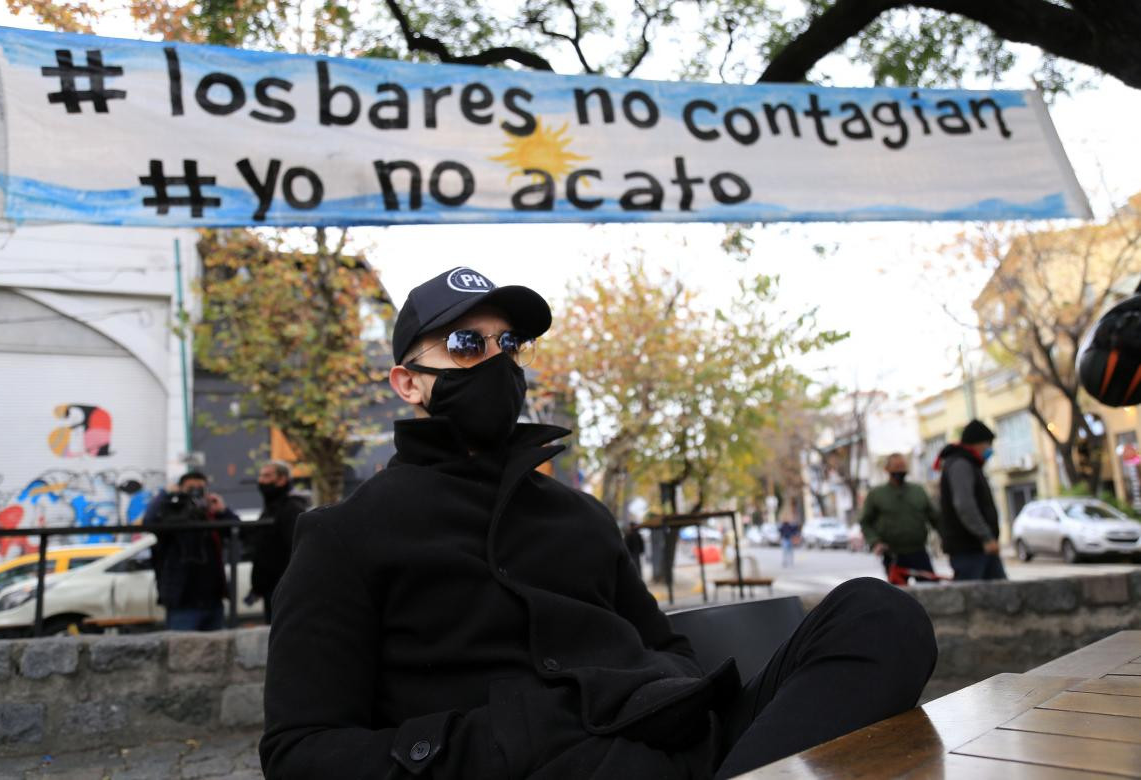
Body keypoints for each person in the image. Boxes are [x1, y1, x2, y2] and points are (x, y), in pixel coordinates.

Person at [261, 266, 937, 779]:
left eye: (510, 344)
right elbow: (300, 749)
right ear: (407, 382)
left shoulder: (581, 515)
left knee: (879, 614)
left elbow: (665, 646)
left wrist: (660, 690)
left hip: (687, 746)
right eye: (466, 343)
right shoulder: (344, 535)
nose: (496, 360)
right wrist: (505, 738)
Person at [145, 471, 240, 631]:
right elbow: (150, 522)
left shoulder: (211, 514)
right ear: (180, 489)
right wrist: (167, 494)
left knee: (216, 651)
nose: (195, 492)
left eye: (200, 488)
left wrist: (222, 510)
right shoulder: (172, 513)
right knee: (181, 650)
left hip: (213, 599)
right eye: (190, 488)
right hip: (183, 599)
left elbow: (238, 532)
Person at [936, 420, 1006, 581]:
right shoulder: (961, 464)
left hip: (978, 548)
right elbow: (964, 505)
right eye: (988, 444)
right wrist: (986, 537)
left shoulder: (969, 463)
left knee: (1001, 597)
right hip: (970, 549)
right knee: (975, 600)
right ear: (978, 443)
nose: (989, 449)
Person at [859, 454, 939, 582]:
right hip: (893, 554)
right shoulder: (877, 494)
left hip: (918, 552)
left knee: (930, 590)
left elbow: (935, 518)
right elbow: (865, 522)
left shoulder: (918, 491)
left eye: (902, 467)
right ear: (887, 470)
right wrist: (875, 542)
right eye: (896, 468)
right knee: (898, 596)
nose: (900, 472)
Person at [248, 461, 310, 624]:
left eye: (267, 476)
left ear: (282, 479)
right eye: (261, 476)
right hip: (273, 588)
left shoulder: (291, 508)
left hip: (284, 587)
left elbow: (295, 547)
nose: (261, 481)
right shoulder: (272, 508)